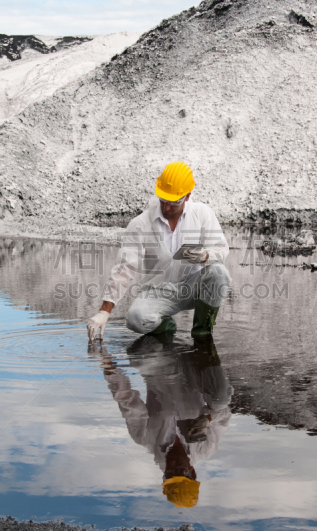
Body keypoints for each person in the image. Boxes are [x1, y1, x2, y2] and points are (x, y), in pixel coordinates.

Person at [87, 161, 231, 340]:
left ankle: (202, 333)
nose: (167, 207)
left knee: (219, 271)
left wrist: (206, 256)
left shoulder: (202, 214)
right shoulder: (140, 224)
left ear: (187, 196)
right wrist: (104, 311)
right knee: (136, 319)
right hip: (158, 290)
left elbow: (221, 248)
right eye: (163, 200)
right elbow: (125, 268)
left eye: (173, 202)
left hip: (194, 288)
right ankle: (166, 327)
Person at [92, 335, 232, 508]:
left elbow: (127, 399)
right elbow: (224, 411)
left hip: (156, 364)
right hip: (193, 362)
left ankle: (159, 328)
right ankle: (203, 336)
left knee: (140, 353)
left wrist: (106, 364)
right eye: (180, 471)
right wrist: (207, 418)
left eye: (169, 473)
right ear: (193, 472)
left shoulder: (144, 438)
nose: (172, 465)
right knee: (220, 398)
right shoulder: (206, 448)